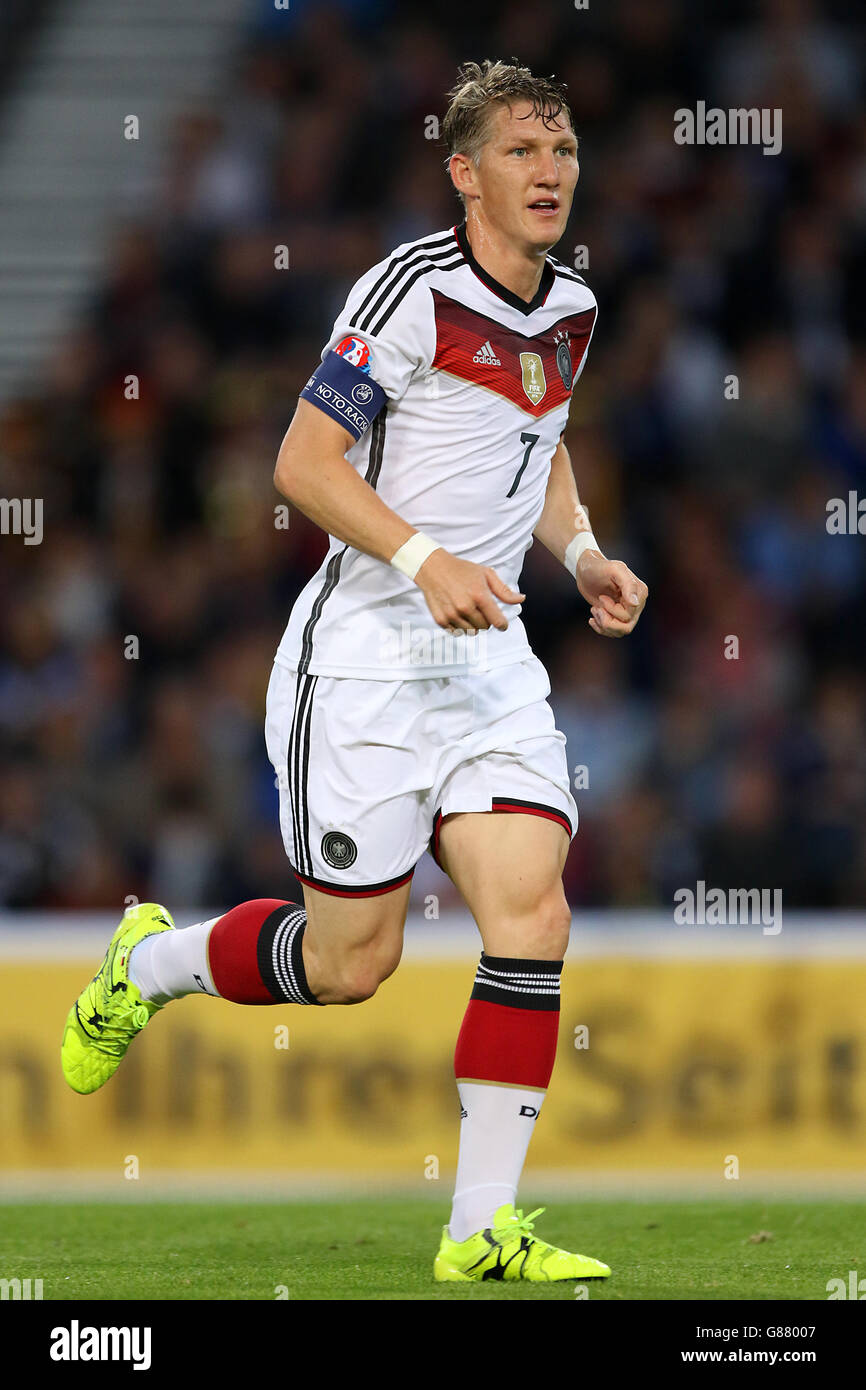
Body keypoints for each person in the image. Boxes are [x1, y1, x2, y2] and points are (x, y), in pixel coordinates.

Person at [62, 58, 647, 1284]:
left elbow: (535, 442)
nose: (549, 175)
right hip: (366, 663)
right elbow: (302, 463)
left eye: (563, 152)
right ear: (464, 171)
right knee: (350, 967)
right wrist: (426, 555)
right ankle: (151, 963)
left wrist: (581, 549)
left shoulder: (573, 306)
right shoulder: (408, 291)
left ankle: (477, 1228)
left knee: (532, 914)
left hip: (489, 663)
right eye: (521, 153)